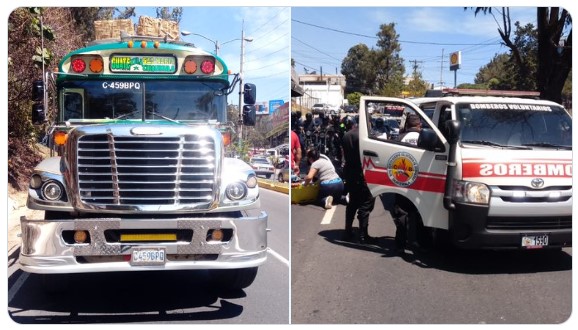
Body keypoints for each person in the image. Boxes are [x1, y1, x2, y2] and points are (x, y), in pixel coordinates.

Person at [341, 121, 376, 244]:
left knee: (353, 202)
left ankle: (348, 231)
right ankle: (363, 235)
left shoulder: (347, 135)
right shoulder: (365, 137)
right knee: (366, 203)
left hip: (350, 173)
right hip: (362, 173)